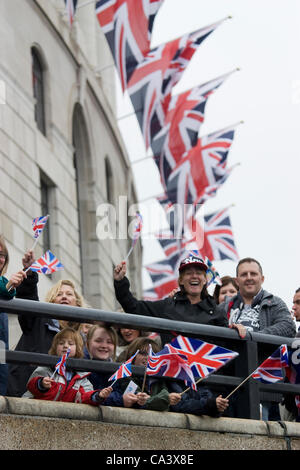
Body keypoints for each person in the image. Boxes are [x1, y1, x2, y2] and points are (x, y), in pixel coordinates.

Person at [219, 257, 296, 421]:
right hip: (229, 384)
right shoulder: (224, 307)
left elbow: (288, 328)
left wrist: (251, 337)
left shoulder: (274, 303)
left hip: (264, 386)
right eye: (244, 274)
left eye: (253, 273)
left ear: (262, 278)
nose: (248, 277)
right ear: (236, 280)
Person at [113, 255, 228, 346]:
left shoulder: (218, 312)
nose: (194, 276)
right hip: (175, 372)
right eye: (189, 273)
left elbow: (228, 348)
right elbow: (134, 307)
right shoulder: (168, 306)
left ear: (205, 280)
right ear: (181, 281)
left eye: (198, 273)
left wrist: (236, 329)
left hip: (208, 374)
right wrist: (120, 281)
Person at [7, 279, 85, 397]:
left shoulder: (82, 337)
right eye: (59, 294)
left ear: (77, 303)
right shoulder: (37, 320)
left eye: (69, 294)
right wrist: (30, 277)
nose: (64, 297)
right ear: (51, 301)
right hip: (24, 393)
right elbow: (28, 301)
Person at [23, 327, 112, 405]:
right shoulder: (46, 369)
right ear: (55, 347)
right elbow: (31, 386)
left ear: (78, 349)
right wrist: (41, 384)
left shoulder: (81, 377)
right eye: (61, 343)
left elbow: (85, 397)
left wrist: (98, 395)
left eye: (70, 343)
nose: (65, 346)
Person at [111, 337, 181, 410]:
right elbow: (138, 402)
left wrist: (167, 399)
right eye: (143, 353)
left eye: (153, 355)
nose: (148, 357)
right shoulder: (124, 375)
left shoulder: (159, 379)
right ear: (133, 355)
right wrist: (166, 398)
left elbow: (165, 407)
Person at [0, 235, 29, 395]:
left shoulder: (4, 282)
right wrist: (9, 286)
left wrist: (10, 286)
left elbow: (6, 291)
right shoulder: (4, 284)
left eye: (1, 255)